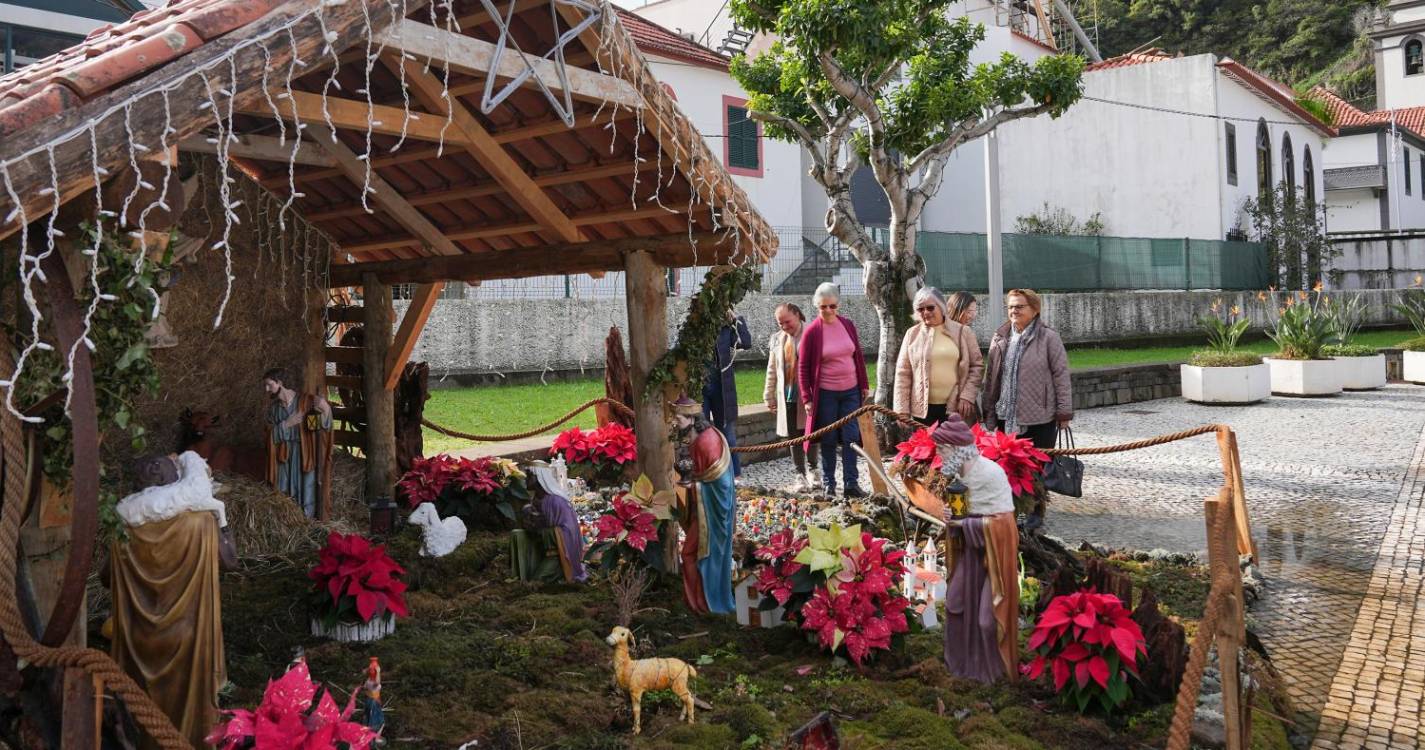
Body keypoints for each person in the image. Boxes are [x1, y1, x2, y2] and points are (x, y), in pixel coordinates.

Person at [110, 452, 235, 747]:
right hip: (189, 630)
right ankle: (189, 739)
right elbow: (229, 560)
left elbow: (106, 577)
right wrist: (224, 523)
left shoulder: (121, 527)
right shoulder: (200, 521)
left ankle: (141, 738)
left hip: (138, 634)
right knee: (188, 695)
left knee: (141, 697)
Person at [931, 416, 1018, 684]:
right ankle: (961, 665)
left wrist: (966, 523)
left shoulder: (992, 475)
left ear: (958, 450)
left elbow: (1005, 525)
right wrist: (952, 519)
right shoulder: (959, 477)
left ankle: (991, 673)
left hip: (993, 559)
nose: (939, 457)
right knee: (955, 602)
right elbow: (961, 517)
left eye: (943, 451)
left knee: (986, 620)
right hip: (971, 554)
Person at [797, 283, 870, 498]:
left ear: (838, 305)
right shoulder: (812, 331)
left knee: (851, 437)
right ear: (816, 307)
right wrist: (807, 397)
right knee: (828, 438)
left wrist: (864, 384)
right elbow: (803, 367)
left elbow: (857, 356)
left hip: (851, 390)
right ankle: (829, 484)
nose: (828, 311)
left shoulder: (847, 324)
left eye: (832, 306)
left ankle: (851, 483)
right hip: (826, 393)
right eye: (823, 307)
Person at [981, 289, 1072, 451]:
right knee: (1010, 470)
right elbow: (991, 378)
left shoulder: (1049, 338)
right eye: (1010, 307)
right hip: (1005, 416)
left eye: (1019, 307)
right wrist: (988, 410)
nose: (1013, 311)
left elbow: (1061, 377)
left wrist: (1064, 412)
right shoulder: (1000, 337)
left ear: (1035, 309)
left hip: (1039, 418)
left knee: (1038, 470)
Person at [671, 396, 736, 615]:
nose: (674, 422)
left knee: (692, 554)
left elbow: (722, 483)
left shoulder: (706, 442)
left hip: (711, 513)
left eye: (678, 418)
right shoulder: (700, 436)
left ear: (691, 418)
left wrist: (692, 480)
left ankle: (704, 603)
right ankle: (698, 601)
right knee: (691, 554)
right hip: (704, 510)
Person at [894, 287, 984, 426]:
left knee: (956, 447)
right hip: (923, 410)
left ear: (941, 307)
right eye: (920, 309)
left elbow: (977, 366)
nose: (925, 312)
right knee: (928, 447)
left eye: (930, 308)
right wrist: (902, 409)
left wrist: (967, 396)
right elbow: (903, 373)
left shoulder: (962, 331)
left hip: (957, 407)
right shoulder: (912, 334)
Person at [262, 367, 333, 519]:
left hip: (305, 453)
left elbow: (324, 425)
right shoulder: (274, 410)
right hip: (283, 455)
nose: (267, 389)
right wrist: (287, 423)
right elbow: (268, 435)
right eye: (266, 386)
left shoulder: (305, 402)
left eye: (269, 385)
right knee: (282, 489)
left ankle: (306, 521)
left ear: (280, 383)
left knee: (307, 489)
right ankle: (287, 520)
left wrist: (326, 408)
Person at [762, 302, 818, 491]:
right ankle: (799, 474)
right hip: (787, 397)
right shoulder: (777, 339)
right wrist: (768, 396)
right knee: (794, 438)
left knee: (810, 435)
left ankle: (814, 470)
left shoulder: (812, 333)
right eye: (780, 324)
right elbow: (772, 370)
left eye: (788, 321)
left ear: (797, 314)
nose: (785, 327)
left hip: (808, 397)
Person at [701, 311, 752, 477]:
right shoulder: (693, 329)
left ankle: (735, 474)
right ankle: (708, 474)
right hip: (700, 387)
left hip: (721, 386)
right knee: (701, 431)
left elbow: (746, 342)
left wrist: (737, 318)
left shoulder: (726, 328)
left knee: (727, 433)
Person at [525, 460, 588, 583]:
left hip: (560, 555)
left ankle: (562, 574)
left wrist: (541, 529)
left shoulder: (556, 501)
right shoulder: (537, 498)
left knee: (538, 580)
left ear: (539, 478)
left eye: (529, 476)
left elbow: (569, 531)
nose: (525, 480)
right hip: (542, 548)